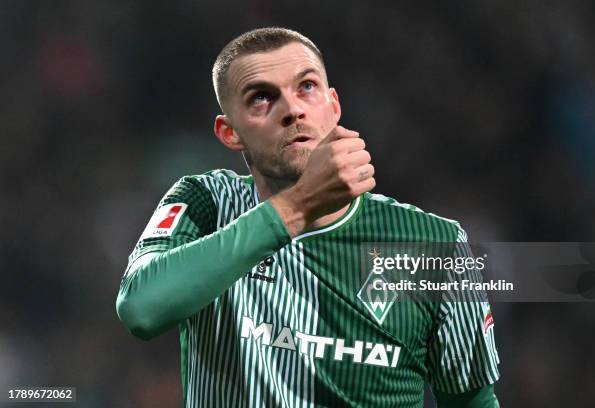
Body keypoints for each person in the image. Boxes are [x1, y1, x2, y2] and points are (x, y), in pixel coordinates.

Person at [116, 27, 500, 407]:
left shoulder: (431, 244)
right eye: (262, 98)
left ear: (333, 106)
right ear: (229, 132)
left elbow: (473, 401)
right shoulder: (207, 204)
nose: (292, 109)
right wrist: (297, 207)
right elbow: (141, 309)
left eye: (307, 87)